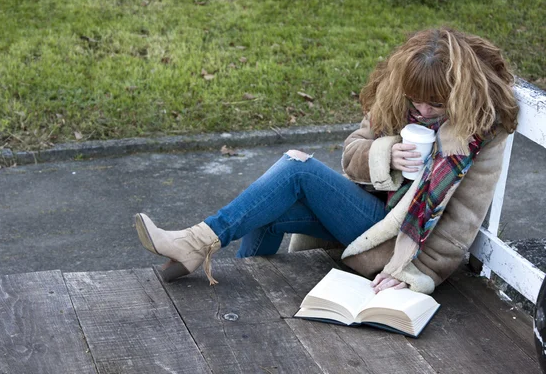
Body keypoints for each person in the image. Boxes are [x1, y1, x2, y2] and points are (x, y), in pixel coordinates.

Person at [134, 27, 519, 295]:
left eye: (434, 104)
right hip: (372, 216)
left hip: (400, 248)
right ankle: (232, 275)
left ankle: (196, 244)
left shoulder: (478, 131)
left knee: (296, 169)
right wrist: (384, 153)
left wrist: (420, 274)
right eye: (414, 99)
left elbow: (461, 222)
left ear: (458, 94)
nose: (422, 110)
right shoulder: (398, 99)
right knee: (270, 201)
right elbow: (352, 153)